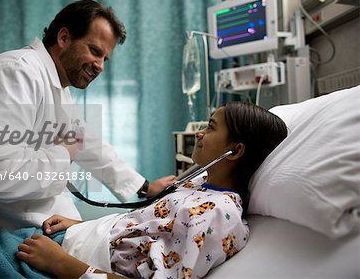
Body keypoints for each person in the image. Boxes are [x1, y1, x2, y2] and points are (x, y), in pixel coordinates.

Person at [0, 0, 174, 230]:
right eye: (95, 51)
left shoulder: (55, 86)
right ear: (64, 38)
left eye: (105, 59)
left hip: (16, 221)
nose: (100, 67)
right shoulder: (14, 73)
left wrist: (144, 187)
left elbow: (88, 144)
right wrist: (63, 154)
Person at [16, 102, 288, 278]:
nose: (199, 134)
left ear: (235, 150)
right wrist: (82, 225)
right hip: (74, 240)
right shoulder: (200, 184)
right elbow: (143, 229)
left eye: (210, 127)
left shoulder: (218, 215)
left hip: (71, 264)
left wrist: (60, 264)